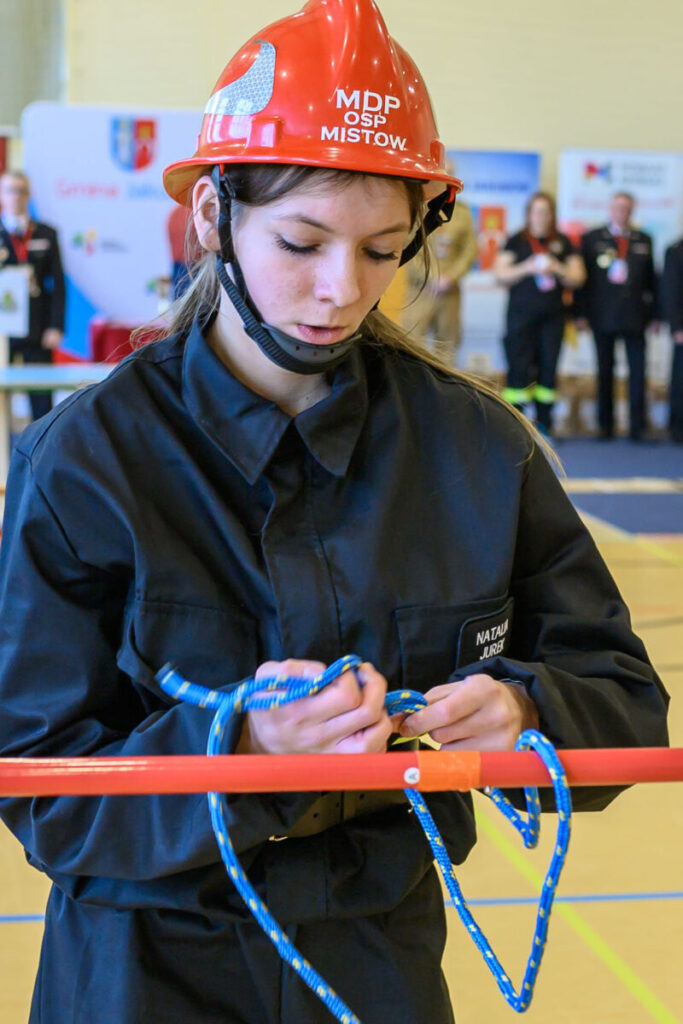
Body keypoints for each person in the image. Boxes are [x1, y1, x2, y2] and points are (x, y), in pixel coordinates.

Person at [0, 2, 669, 1023]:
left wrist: (527, 710)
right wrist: (242, 750)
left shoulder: (478, 450)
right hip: (140, 972)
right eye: (302, 240)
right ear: (213, 214)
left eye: (379, 250)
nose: (338, 291)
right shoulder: (85, 460)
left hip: (376, 970)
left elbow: (621, 695)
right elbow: (39, 778)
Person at [494, 191, 585, 438]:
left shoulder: (563, 242)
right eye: (536, 211)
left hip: (553, 320)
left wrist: (557, 267)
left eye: (546, 212)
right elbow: (500, 274)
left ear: (551, 215)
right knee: (518, 371)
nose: (541, 217)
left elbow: (578, 277)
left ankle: (545, 425)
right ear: (529, 214)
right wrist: (527, 266)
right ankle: (515, 429)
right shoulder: (517, 240)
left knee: (548, 372)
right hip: (520, 319)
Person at [576, 192, 656, 441]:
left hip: (635, 318)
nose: (622, 212)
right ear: (610, 210)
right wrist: (580, 314)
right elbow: (582, 281)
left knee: (638, 373)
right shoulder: (591, 239)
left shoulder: (644, 239)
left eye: (626, 208)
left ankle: (637, 427)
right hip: (602, 317)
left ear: (632, 211)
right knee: (605, 371)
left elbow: (652, 281)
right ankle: (605, 426)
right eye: (617, 208)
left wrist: (655, 315)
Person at [0, 170, 65, 420]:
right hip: (3, 330)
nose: (15, 196)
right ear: (2, 195)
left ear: (29, 195)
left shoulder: (46, 233)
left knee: (41, 400)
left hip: (38, 329)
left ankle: (40, 456)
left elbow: (58, 283)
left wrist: (56, 326)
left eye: (20, 190)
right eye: (9, 190)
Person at [400, 163, 477, 366]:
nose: (447, 179)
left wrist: (451, 277)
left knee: (447, 347)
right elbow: (407, 246)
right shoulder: (415, 207)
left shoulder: (462, 212)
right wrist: (432, 278)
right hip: (420, 289)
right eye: (443, 174)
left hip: (450, 292)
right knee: (410, 344)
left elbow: (469, 250)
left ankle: (444, 395)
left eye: (451, 174)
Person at [661, 237, 683, 443]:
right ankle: (678, 428)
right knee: (680, 381)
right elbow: (670, 290)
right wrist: (676, 326)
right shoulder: (676, 250)